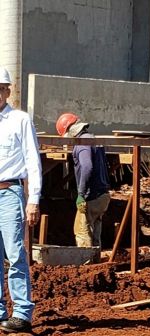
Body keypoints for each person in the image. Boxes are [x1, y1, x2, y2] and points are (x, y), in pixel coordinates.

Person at [0, 67, 42, 333]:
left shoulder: (20, 120)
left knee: (15, 254)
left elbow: (32, 161)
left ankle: (22, 313)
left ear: (7, 91)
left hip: (10, 193)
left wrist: (33, 199)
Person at [56, 112, 111, 248]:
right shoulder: (93, 139)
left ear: (70, 131)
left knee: (82, 231)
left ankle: (86, 265)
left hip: (92, 196)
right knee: (95, 232)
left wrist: (81, 194)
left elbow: (87, 167)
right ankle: (96, 261)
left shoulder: (82, 143)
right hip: (103, 195)